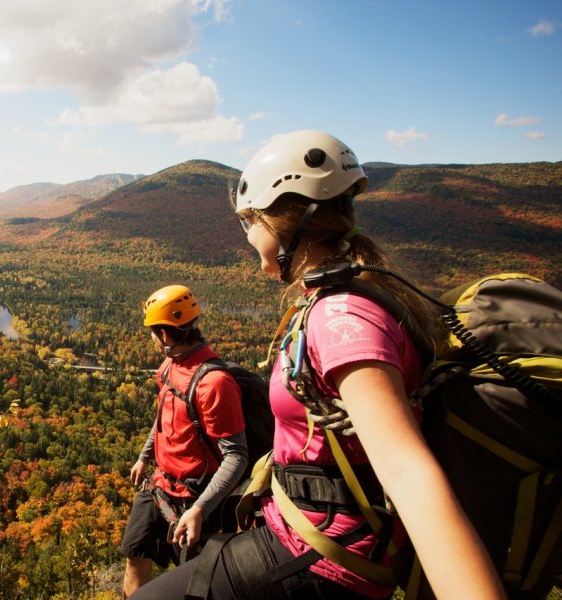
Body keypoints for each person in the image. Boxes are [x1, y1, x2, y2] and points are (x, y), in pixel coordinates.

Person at [129, 130, 505, 599]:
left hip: (325, 556)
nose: (247, 235)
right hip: (310, 536)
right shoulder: (349, 296)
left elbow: (409, 473)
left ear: (289, 219)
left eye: (251, 220)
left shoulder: (341, 318)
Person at [120, 284, 249, 598]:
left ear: (165, 335)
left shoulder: (214, 383)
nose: (150, 338)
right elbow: (165, 415)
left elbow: (236, 456)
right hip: (160, 485)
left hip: (196, 498)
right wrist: (144, 456)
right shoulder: (169, 367)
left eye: (152, 332)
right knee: (135, 557)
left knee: (192, 583)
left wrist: (201, 510)